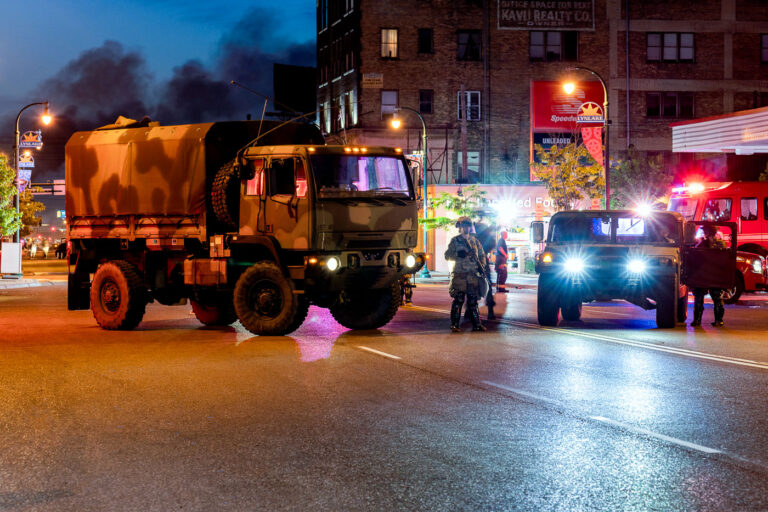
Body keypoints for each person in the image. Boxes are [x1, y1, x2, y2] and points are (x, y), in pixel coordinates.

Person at [444, 216, 487, 332]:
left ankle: (477, 325)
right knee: (458, 300)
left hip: (472, 276)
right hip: (460, 275)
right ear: (460, 227)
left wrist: (481, 266)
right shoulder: (455, 241)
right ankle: (454, 325)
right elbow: (447, 255)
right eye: (464, 225)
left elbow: (482, 255)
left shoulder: (475, 241)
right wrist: (458, 254)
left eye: (468, 225)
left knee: (473, 302)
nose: (466, 228)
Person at [690, 224, 726, 327]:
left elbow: (695, 256)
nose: (703, 233)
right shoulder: (721, 244)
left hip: (703, 274)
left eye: (705, 231)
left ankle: (697, 320)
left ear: (708, 232)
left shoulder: (702, 244)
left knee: (699, 297)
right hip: (716, 274)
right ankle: (719, 320)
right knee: (717, 298)